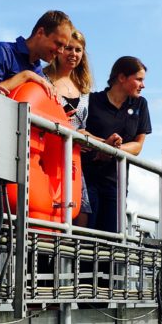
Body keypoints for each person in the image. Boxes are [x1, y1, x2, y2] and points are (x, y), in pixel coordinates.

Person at [82, 56, 152, 234]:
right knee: (85, 237)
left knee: (111, 243)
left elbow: (137, 146)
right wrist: (103, 145)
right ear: (121, 77)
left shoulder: (141, 104)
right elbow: (80, 133)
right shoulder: (91, 101)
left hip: (116, 185)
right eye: (139, 79)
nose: (142, 85)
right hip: (87, 180)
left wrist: (115, 149)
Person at [46, 30, 93, 225]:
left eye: (78, 49)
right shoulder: (44, 78)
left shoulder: (83, 87)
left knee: (81, 214)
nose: (73, 54)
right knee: (49, 210)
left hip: (74, 159)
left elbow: (82, 126)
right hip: (49, 155)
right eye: (68, 48)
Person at [0, 10, 73, 93]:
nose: (61, 51)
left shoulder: (39, 72)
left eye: (64, 47)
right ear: (40, 32)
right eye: (58, 44)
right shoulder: (2, 52)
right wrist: (26, 75)